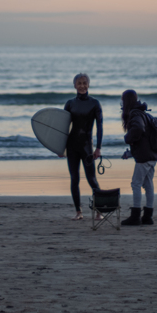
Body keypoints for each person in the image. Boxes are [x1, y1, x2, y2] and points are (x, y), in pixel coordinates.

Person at [63, 73, 103, 220]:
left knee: (92, 179)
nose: (82, 85)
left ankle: (99, 211)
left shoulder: (95, 103)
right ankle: (78, 212)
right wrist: (60, 147)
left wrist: (98, 148)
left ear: (89, 84)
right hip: (72, 146)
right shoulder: (69, 104)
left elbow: (100, 127)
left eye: (84, 82)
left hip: (87, 146)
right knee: (74, 179)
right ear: (74, 85)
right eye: (79, 83)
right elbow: (62, 127)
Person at [120, 90, 157, 226]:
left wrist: (127, 138)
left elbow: (138, 129)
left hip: (144, 157)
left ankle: (135, 216)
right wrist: (130, 153)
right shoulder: (144, 113)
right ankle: (148, 217)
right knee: (148, 184)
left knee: (136, 184)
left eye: (122, 100)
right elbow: (145, 141)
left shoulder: (135, 114)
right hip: (152, 155)